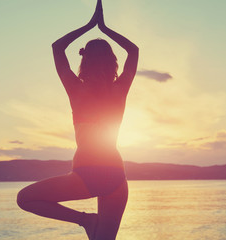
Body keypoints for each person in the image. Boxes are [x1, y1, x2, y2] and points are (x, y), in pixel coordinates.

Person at [17, 0, 138, 239]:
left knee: (25, 198)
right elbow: (134, 52)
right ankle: (89, 222)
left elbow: (57, 47)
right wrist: (104, 28)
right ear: (112, 62)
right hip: (116, 175)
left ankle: (85, 220)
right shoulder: (119, 90)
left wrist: (89, 25)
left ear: (84, 61)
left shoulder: (76, 90)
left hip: (87, 174)